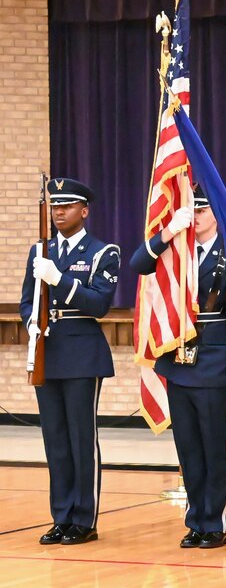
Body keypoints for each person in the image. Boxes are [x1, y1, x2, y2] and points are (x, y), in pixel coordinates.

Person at [130, 188, 226, 548]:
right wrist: (167, 233)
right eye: (191, 210)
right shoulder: (175, 249)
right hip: (176, 360)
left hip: (215, 357)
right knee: (187, 446)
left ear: (215, 213)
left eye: (201, 209)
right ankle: (195, 519)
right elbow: (139, 264)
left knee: (214, 444)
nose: (196, 215)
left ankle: (215, 521)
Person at [20, 177, 119, 546]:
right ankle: (61, 516)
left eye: (67, 205)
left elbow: (99, 304)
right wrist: (31, 318)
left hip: (81, 353)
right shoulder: (39, 250)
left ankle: (84, 518)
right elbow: (27, 299)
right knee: (55, 439)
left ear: (84, 210)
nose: (59, 211)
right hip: (47, 350)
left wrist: (59, 279)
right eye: (55, 206)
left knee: (80, 437)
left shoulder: (102, 251)